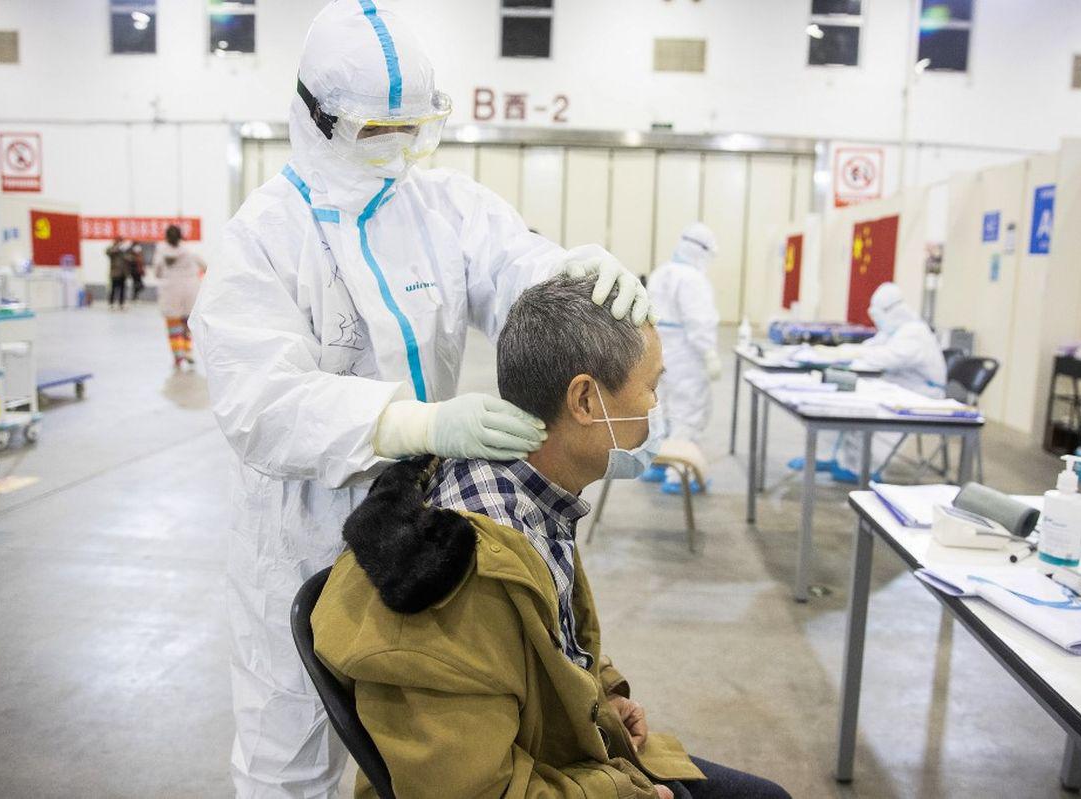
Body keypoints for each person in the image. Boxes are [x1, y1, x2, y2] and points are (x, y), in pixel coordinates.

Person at [189, 3, 651, 796]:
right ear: (316, 117)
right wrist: (418, 423)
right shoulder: (264, 239)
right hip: (299, 529)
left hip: (417, 527)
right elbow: (259, 404)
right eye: (376, 131)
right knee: (286, 760)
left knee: (421, 730)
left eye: (415, 128)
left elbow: (512, 266)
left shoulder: (440, 207)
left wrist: (565, 268)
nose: (398, 150)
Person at [313, 274, 790, 799]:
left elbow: (548, 642)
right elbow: (475, 793)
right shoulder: (460, 580)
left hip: (558, 755)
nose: (658, 408)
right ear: (585, 400)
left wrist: (601, 695)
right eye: (651, 386)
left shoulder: (535, 495)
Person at [793, 282, 947, 482]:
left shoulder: (915, 332)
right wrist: (840, 351)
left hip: (921, 395)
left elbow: (886, 357)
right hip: (896, 387)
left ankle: (861, 468)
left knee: (863, 408)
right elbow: (871, 347)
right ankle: (828, 456)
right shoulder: (893, 331)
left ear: (894, 311)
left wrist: (850, 353)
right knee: (840, 401)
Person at [643, 223, 721, 494]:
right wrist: (709, 353)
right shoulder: (693, 279)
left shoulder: (661, 272)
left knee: (660, 410)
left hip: (659, 351)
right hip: (687, 353)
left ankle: (658, 463)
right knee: (689, 411)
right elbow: (699, 320)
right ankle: (681, 476)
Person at [153, 225, 206, 370]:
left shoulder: (160, 252)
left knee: (173, 327)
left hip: (170, 293)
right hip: (190, 292)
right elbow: (205, 266)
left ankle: (178, 355)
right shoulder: (190, 251)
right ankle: (188, 352)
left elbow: (157, 272)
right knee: (186, 325)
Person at [105, 236, 133, 310]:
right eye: (118, 241)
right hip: (114, 273)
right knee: (113, 289)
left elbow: (131, 258)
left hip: (123, 273)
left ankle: (121, 304)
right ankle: (111, 303)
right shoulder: (112, 248)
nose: (120, 242)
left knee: (122, 289)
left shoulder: (125, 250)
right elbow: (108, 252)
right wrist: (117, 248)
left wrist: (125, 254)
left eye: (121, 241)